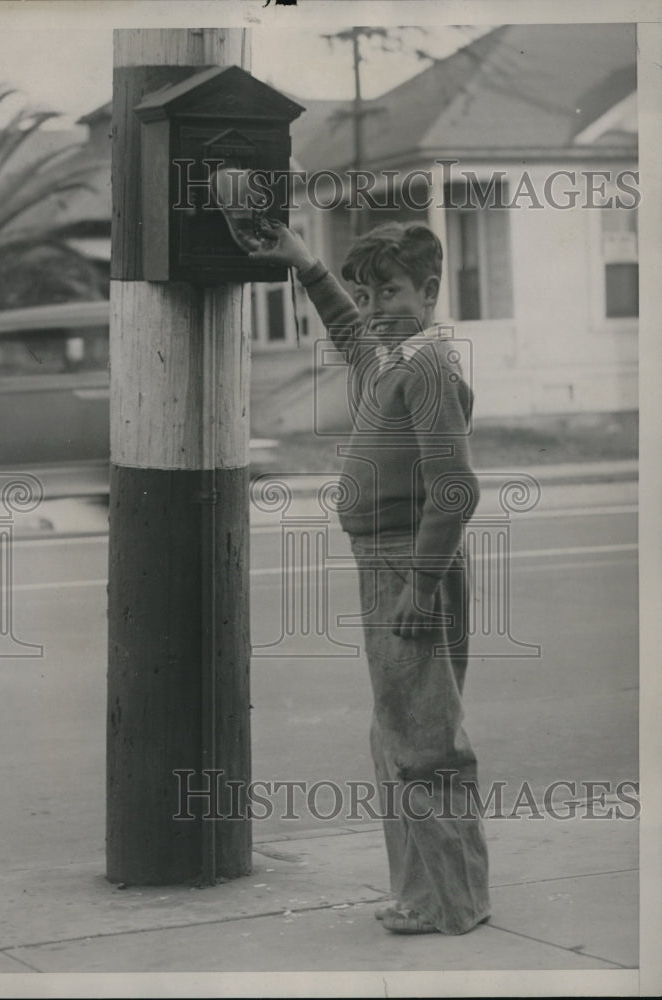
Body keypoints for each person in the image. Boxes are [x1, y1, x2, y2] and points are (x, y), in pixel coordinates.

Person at [250, 220, 491, 935]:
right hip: (387, 564)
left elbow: (455, 489)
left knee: (422, 739)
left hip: (407, 565)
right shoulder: (391, 358)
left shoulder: (424, 367)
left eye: (389, 290)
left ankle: (449, 901)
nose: (376, 305)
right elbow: (350, 334)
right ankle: (425, 893)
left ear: (428, 288)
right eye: (368, 291)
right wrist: (305, 263)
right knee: (397, 735)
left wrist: (418, 588)